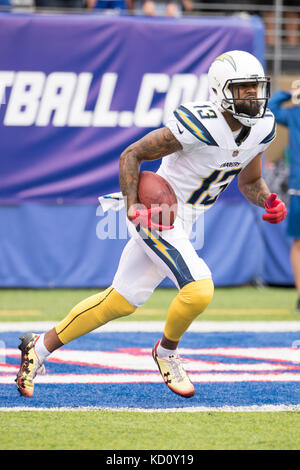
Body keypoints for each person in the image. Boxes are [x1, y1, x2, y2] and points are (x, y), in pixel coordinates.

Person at [16, 50, 287, 399]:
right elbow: (132, 154)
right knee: (199, 288)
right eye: (243, 89)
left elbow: (249, 181)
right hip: (158, 212)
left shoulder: (262, 126)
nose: (253, 96)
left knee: (120, 301)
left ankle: (37, 349)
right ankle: (167, 352)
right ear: (220, 90)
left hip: (187, 219)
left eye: (256, 88)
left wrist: (267, 199)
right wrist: (132, 207)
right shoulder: (200, 123)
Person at [268, 88, 300, 313]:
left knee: (298, 244)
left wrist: (289, 94)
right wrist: (291, 94)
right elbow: (270, 110)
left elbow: (271, 109)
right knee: (298, 244)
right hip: (298, 188)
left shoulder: (295, 113)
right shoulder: (295, 114)